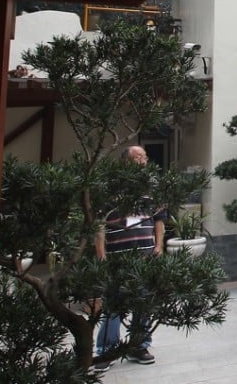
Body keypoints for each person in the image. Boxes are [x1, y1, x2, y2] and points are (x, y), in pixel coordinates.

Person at [94, 145, 166, 373]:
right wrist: (101, 253)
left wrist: (159, 245)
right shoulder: (109, 188)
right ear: (125, 161)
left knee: (143, 300)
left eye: (144, 156)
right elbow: (99, 223)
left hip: (145, 253)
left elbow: (159, 219)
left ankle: (138, 345)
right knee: (114, 304)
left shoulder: (152, 187)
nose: (143, 160)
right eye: (137, 157)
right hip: (117, 254)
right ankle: (106, 349)